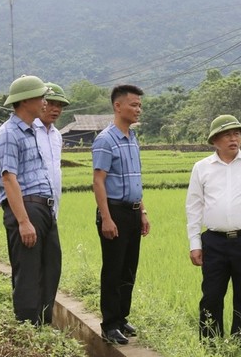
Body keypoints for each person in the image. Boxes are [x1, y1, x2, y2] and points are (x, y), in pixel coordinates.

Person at [185, 114, 241, 344]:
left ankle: (240, 345)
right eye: (227, 134)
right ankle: (210, 345)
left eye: (237, 133)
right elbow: (194, 207)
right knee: (211, 296)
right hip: (214, 242)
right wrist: (194, 243)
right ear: (215, 139)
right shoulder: (201, 168)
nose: (233, 138)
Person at [0, 75, 60, 326]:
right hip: (27, 208)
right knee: (29, 273)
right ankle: (28, 329)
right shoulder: (9, 134)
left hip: (43, 208)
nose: (45, 101)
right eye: (41, 97)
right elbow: (9, 179)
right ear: (25, 100)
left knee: (50, 269)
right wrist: (23, 221)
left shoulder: (31, 131)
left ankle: (43, 326)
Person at [92, 84, 150, 345]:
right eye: (134, 105)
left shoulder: (132, 138)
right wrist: (106, 217)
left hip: (133, 212)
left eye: (139, 105)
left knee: (129, 268)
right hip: (114, 211)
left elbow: (135, 180)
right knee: (113, 270)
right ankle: (109, 324)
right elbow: (98, 181)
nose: (139, 109)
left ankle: (122, 317)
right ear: (118, 106)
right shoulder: (106, 139)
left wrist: (144, 212)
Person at [34, 82, 70, 219]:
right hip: (32, 207)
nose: (56, 109)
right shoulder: (28, 132)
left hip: (53, 206)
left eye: (60, 105)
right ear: (40, 103)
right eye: (51, 103)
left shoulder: (57, 136)